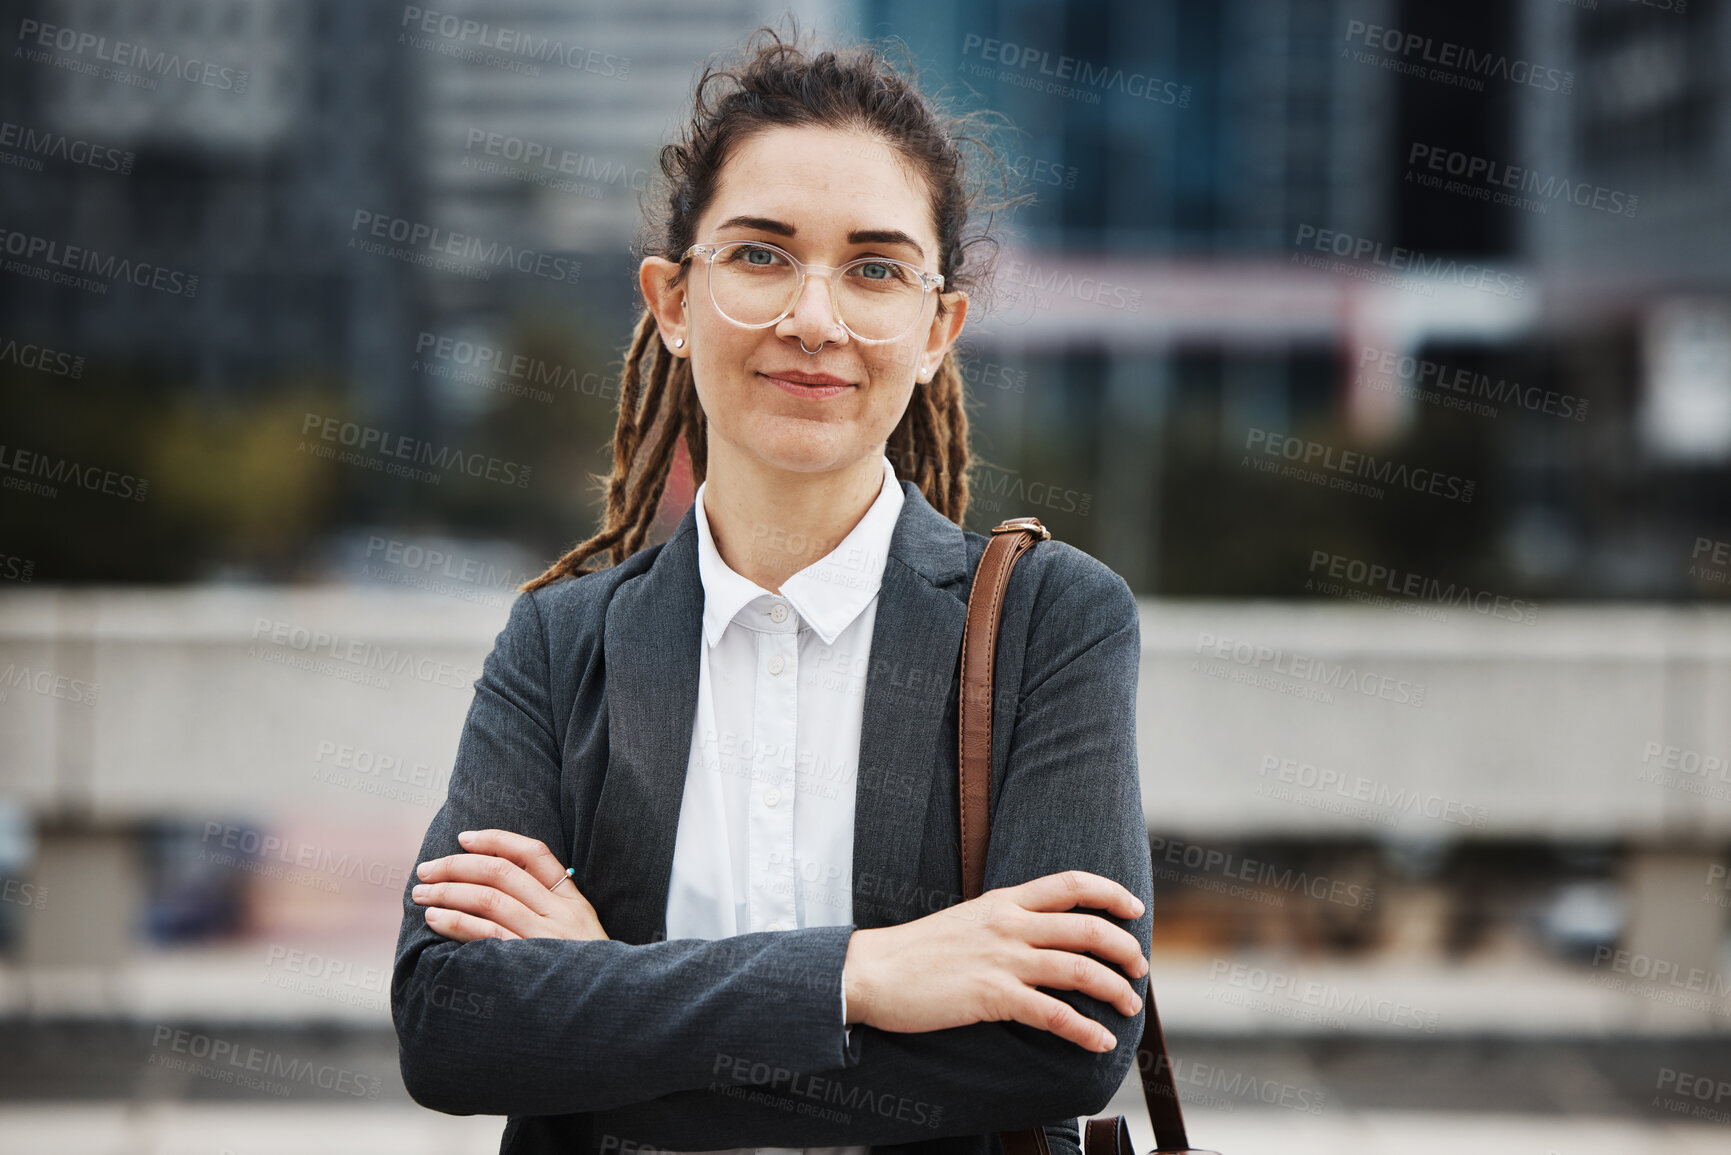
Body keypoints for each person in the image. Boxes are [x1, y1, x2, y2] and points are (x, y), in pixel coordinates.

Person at [391, 26, 1153, 1155]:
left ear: (939, 327)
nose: (814, 318)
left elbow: (1067, 1040)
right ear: (672, 300)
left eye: (876, 268)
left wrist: (605, 995)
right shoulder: (562, 643)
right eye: (760, 254)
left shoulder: (1054, 621)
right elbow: (452, 1027)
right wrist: (862, 974)